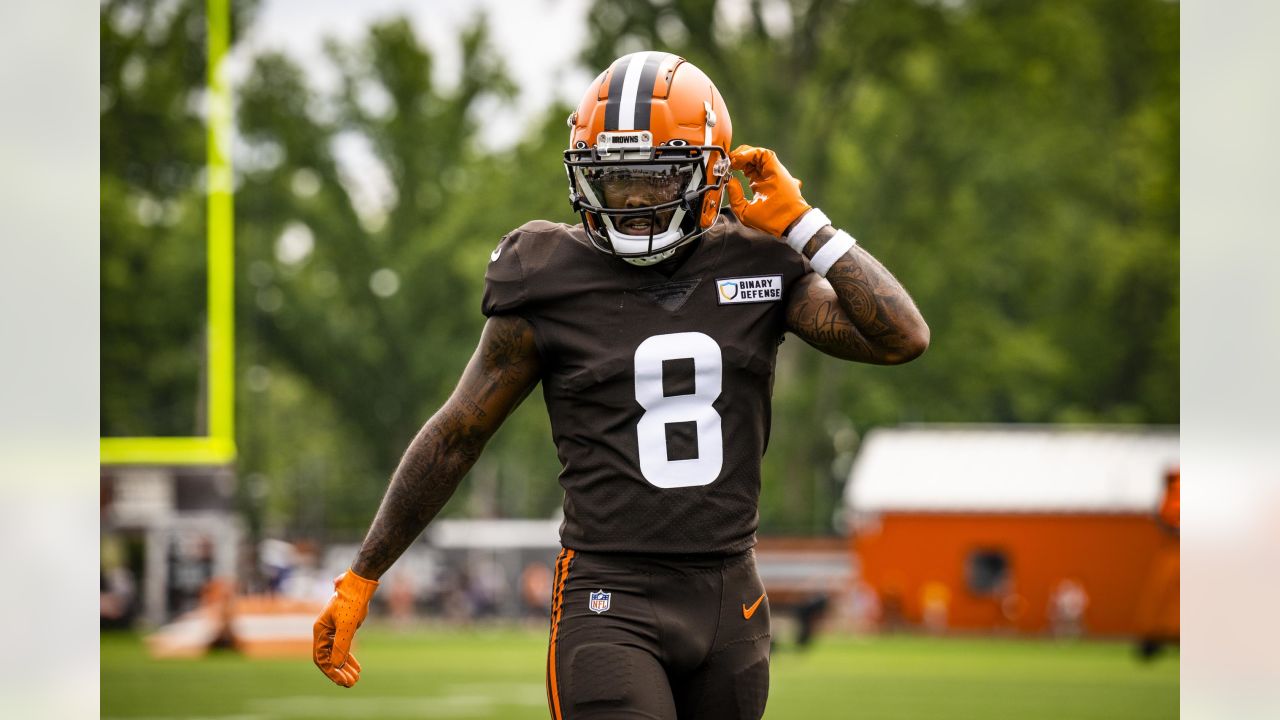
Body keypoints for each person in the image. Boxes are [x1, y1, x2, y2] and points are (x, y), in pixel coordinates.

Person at [312, 50, 929, 719]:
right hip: (609, 597)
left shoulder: (762, 261)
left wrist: (807, 226)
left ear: (710, 174)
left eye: (656, 178)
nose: (633, 202)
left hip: (731, 599)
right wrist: (362, 575)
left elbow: (902, 337)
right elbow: (458, 432)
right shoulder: (547, 274)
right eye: (614, 179)